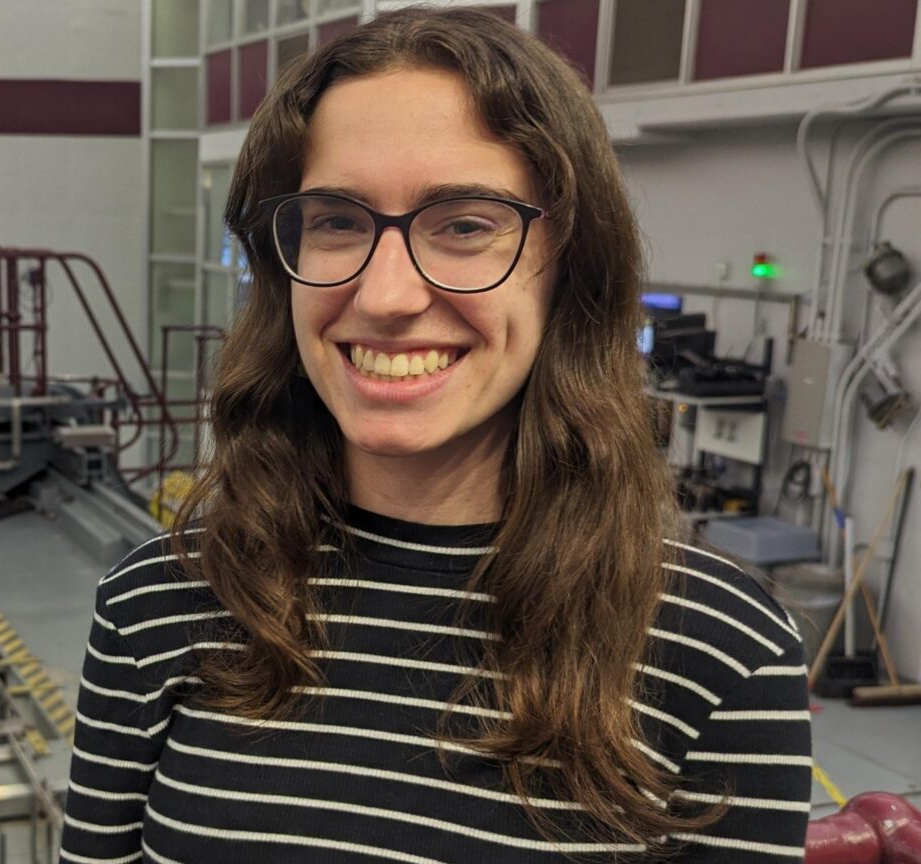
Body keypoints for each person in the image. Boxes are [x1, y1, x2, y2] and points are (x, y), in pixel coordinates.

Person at [59, 7, 811, 863]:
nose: (385, 297)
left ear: (569, 265)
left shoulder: (718, 651)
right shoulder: (157, 605)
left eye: (462, 225)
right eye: (337, 219)